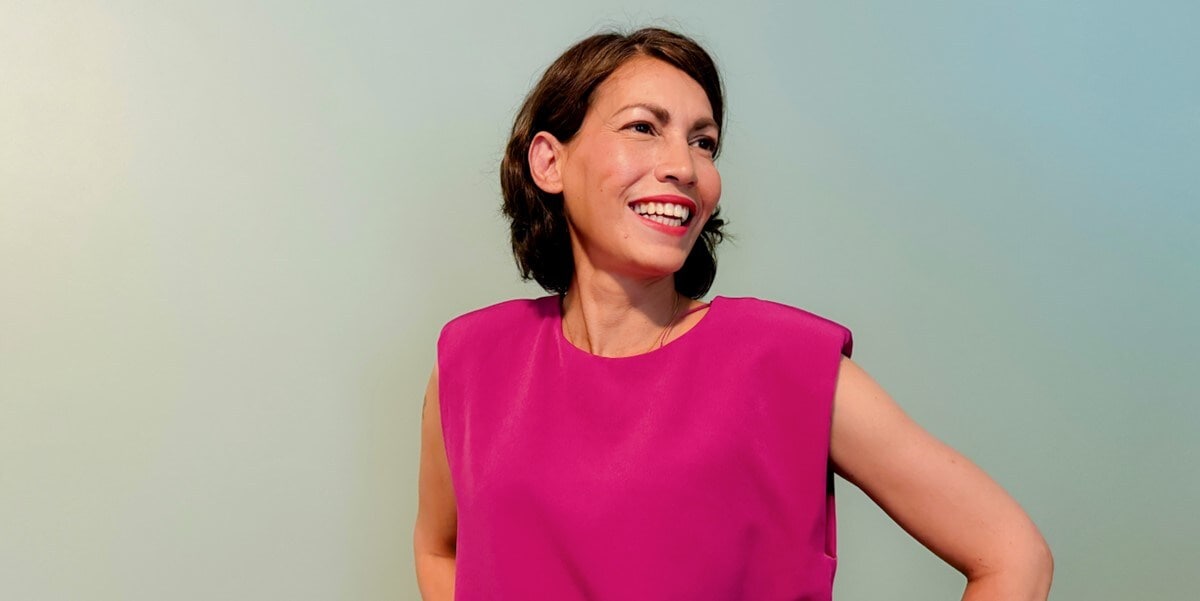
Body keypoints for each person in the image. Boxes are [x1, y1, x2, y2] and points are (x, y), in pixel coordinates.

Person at [414, 27, 1052, 601]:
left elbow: (1011, 555)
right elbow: (440, 549)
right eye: (644, 127)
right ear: (549, 161)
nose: (683, 167)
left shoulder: (782, 361)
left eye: (704, 142)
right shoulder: (471, 360)